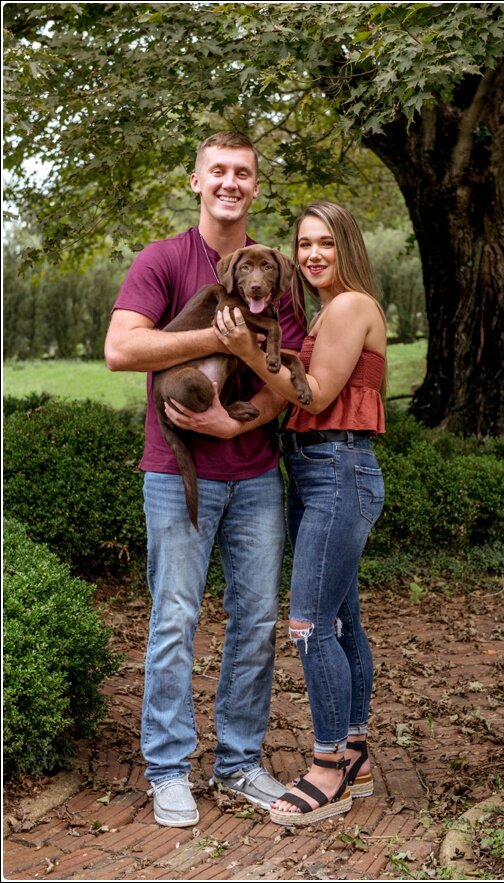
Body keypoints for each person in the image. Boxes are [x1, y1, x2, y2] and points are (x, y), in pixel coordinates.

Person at [104, 132, 306, 827]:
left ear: (255, 185)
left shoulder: (272, 273)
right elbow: (122, 348)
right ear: (196, 181)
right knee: (174, 619)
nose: (229, 181)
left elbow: (288, 379)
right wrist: (217, 341)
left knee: (254, 621)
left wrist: (238, 420)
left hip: (254, 474)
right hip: (173, 471)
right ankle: (167, 769)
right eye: (217, 170)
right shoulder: (162, 260)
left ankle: (240, 761)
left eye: (242, 172)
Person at [216, 200, 387, 825]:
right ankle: (358, 755)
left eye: (326, 243)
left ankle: (328, 765)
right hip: (320, 469)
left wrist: (248, 351)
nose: (314, 254)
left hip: (337, 471)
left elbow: (313, 393)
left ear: (348, 246)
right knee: (341, 624)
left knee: (309, 626)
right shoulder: (329, 310)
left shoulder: (348, 306)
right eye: (305, 244)